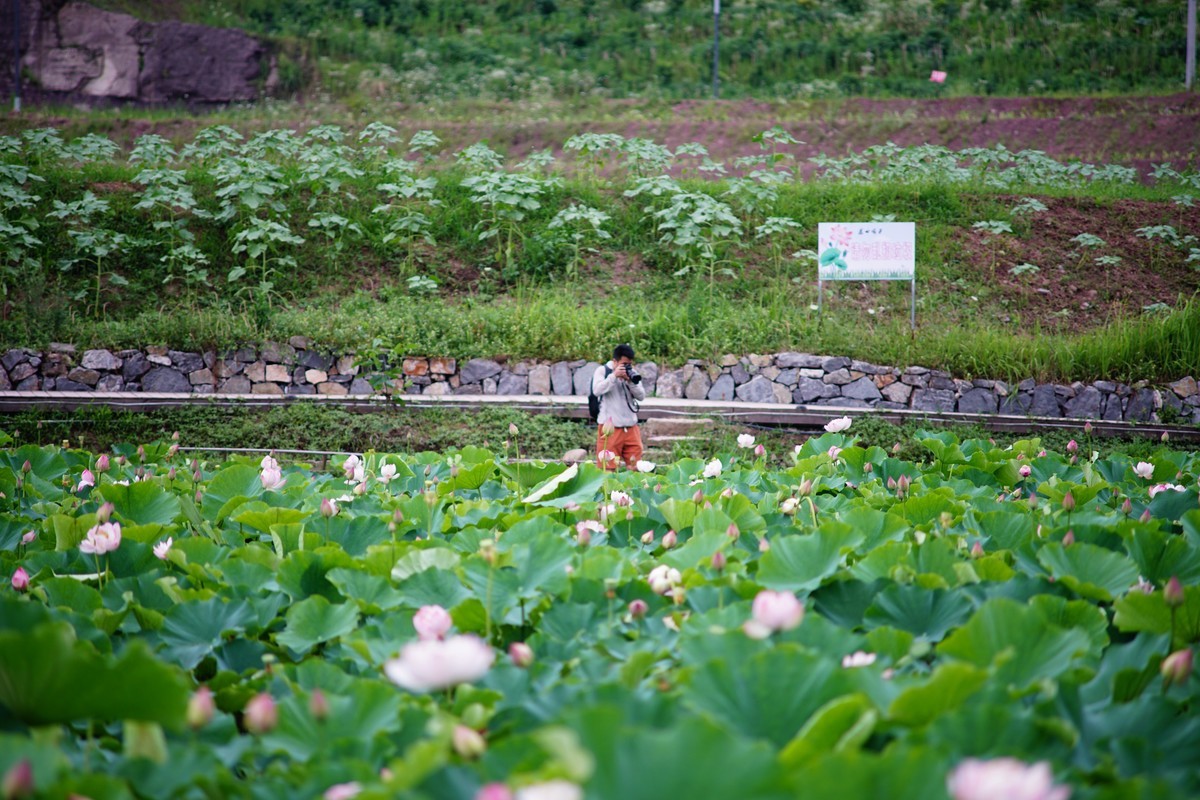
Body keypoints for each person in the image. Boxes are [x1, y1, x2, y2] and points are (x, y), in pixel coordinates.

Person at [592, 343, 646, 470]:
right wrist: (614, 376)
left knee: (635, 467)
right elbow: (597, 390)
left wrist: (630, 381)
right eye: (624, 364)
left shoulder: (632, 373)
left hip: (631, 427)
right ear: (615, 361)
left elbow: (641, 396)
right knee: (607, 469)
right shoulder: (603, 371)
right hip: (610, 429)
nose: (627, 367)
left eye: (629, 364)